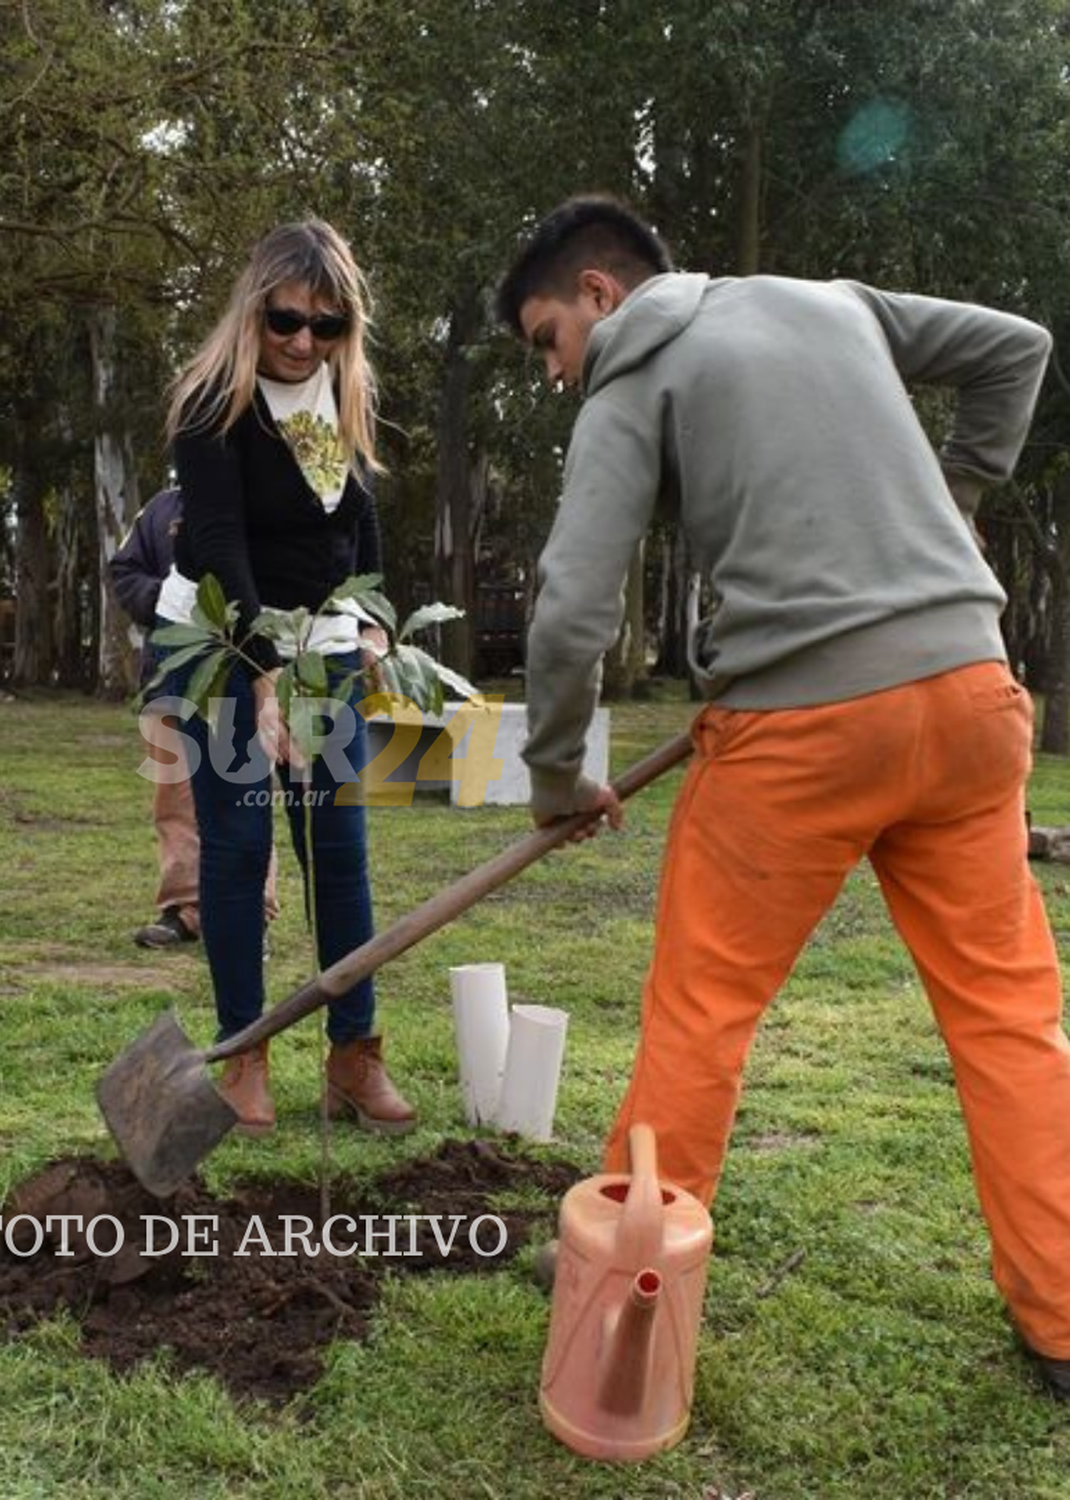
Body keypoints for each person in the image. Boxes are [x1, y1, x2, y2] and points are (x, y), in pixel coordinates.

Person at [496, 192, 1070, 1400]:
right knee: (1010, 1023)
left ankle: (621, 1298)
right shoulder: (833, 303)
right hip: (970, 699)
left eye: (547, 339)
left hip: (800, 735)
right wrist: (960, 498)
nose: (555, 372)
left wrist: (554, 776)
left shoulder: (629, 376)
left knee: (702, 1012)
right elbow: (1017, 349)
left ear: (600, 296)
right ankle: (1064, 1320)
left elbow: (570, 607)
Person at [151, 219, 414, 1137]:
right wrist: (265, 675)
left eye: (327, 325)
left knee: (336, 849)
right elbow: (219, 542)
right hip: (225, 641)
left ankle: (353, 1056)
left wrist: (376, 623)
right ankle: (243, 1052)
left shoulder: (342, 397)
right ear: (253, 311)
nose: (303, 341)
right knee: (240, 844)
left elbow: (356, 524)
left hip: (324, 647)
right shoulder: (212, 405)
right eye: (286, 320)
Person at [109, 485, 278, 948]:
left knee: (243, 796)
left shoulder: (258, 501)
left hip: (240, 672)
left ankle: (251, 912)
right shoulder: (160, 508)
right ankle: (184, 908)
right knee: (175, 796)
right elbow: (124, 569)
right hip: (169, 676)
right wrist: (171, 596)